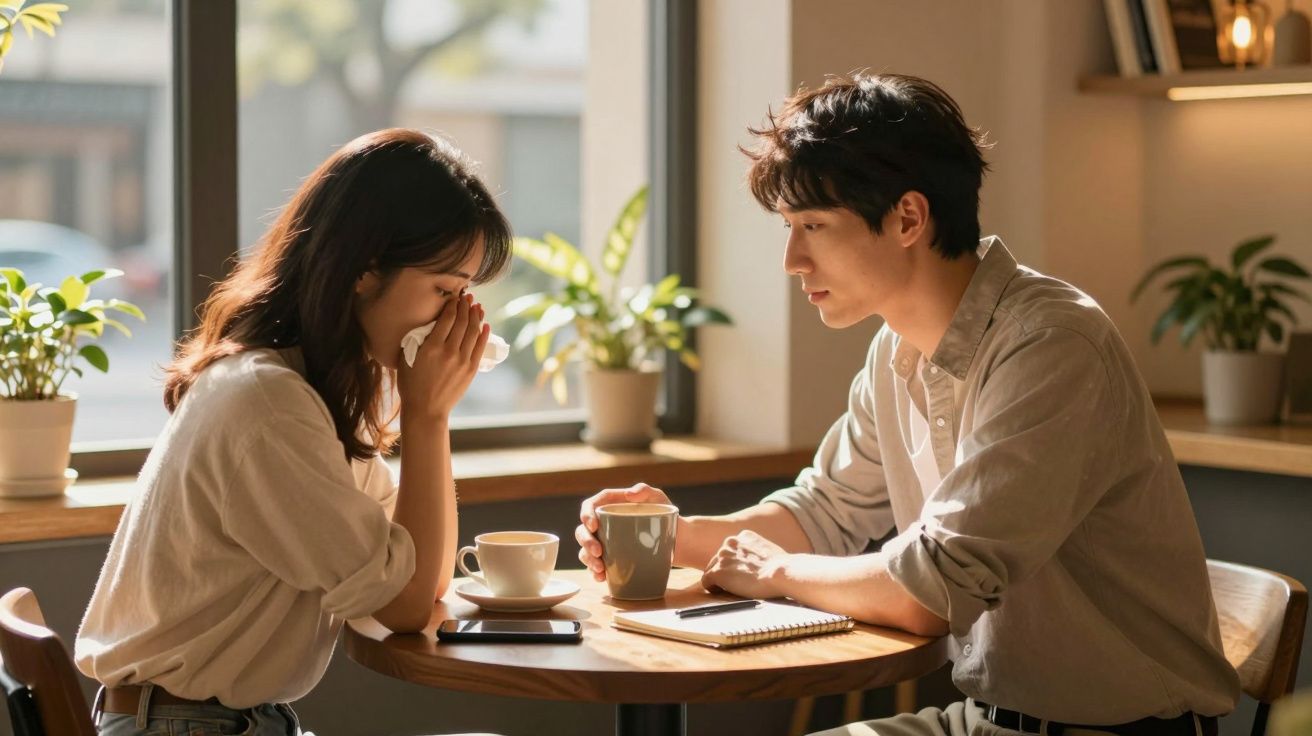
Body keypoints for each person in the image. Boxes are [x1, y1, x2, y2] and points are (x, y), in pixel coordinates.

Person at [575, 74, 1239, 736]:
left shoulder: (1050, 345)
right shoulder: (895, 351)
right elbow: (824, 510)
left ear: (908, 218)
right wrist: (672, 534)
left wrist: (777, 573)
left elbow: (935, 589)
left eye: (813, 225)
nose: (791, 259)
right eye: (787, 226)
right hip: (980, 722)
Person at [75, 128, 509, 736]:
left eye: (464, 293)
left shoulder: (307, 391)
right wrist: (428, 415)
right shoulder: (269, 405)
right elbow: (408, 605)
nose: (457, 319)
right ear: (364, 270)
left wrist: (428, 413)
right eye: (443, 290)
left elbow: (418, 574)